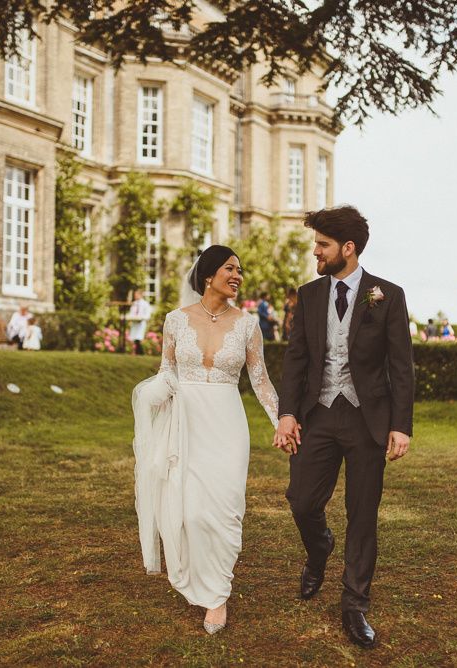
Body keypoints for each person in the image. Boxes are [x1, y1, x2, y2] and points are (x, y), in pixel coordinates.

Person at [274, 205, 414, 650]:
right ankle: (319, 551)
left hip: (366, 419)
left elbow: (401, 366)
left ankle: (355, 604)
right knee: (300, 500)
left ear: (347, 249)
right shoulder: (309, 295)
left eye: (323, 245)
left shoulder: (387, 295)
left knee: (362, 513)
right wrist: (287, 412)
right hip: (318, 415)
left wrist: (400, 424)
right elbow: (296, 359)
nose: (316, 251)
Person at [132, 245, 279, 635]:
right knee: (193, 511)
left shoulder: (248, 325)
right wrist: (154, 394)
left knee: (227, 510)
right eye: (231, 268)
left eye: (240, 270)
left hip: (228, 424)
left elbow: (260, 380)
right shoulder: (175, 321)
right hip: (187, 422)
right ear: (209, 274)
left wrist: (281, 421)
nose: (238, 276)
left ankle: (217, 597)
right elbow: (167, 370)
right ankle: (206, 584)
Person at [126, 289, 152, 355]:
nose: (135, 296)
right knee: (134, 338)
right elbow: (131, 313)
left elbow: (147, 315)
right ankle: (137, 353)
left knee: (138, 338)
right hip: (134, 323)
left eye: (137, 294)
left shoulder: (145, 304)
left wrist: (141, 318)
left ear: (140, 295)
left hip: (141, 323)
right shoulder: (134, 303)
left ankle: (140, 353)